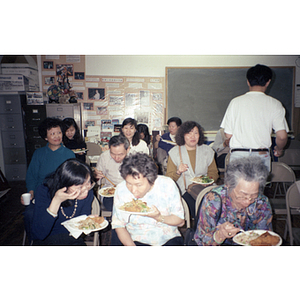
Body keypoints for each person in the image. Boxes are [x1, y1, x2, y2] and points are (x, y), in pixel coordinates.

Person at [220, 64, 289, 171]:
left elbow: (228, 134)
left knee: (237, 187)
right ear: (268, 82)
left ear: (248, 81)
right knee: (258, 188)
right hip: (261, 156)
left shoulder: (235, 102)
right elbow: (282, 137)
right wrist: (279, 149)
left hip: (238, 155)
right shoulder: (275, 104)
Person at [194, 156, 273, 246]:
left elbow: (266, 238)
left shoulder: (262, 202)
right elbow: (201, 242)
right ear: (228, 186)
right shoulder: (214, 200)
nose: (248, 201)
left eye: (254, 196)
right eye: (242, 196)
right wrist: (220, 235)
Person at [111, 152, 185, 246]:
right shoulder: (121, 189)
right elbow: (119, 225)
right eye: (129, 183)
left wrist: (158, 217)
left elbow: (180, 221)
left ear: (151, 179)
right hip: (135, 239)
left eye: (139, 185)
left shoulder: (167, 185)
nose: (133, 190)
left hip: (168, 237)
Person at [22, 117, 75, 243]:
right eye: (52, 133)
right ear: (45, 137)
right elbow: (31, 176)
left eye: (59, 132)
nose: (57, 136)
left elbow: (72, 178)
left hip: (62, 193)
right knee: (29, 214)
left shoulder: (69, 154)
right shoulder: (39, 153)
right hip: (42, 194)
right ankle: (34, 241)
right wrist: (31, 191)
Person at [31, 158, 95, 245]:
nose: (86, 190)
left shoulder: (88, 192)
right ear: (64, 184)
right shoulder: (44, 192)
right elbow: (40, 234)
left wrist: (89, 222)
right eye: (79, 187)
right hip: (47, 241)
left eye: (88, 182)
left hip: (73, 240)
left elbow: (80, 229)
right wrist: (56, 201)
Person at [166, 121, 219, 219]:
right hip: (185, 189)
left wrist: (207, 180)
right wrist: (178, 172)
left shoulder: (208, 151)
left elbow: (214, 172)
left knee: (216, 202)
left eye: (196, 133)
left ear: (200, 135)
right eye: (189, 133)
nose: (193, 136)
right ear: (183, 135)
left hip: (205, 188)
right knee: (201, 208)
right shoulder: (174, 153)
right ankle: (199, 230)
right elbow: (169, 178)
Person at [94, 134, 130, 212]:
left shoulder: (134, 158)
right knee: (113, 206)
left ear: (128, 149)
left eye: (120, 154)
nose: (116, 158)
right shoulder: (104, 157)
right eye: (113, 154)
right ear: (109, 148)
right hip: (109, 191)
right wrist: (96, 176)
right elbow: (97, 180)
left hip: (130, 191)